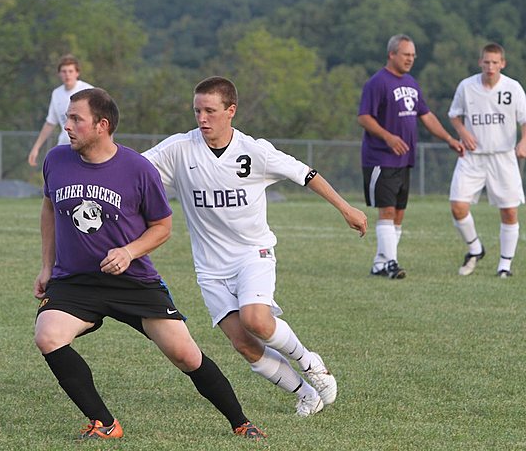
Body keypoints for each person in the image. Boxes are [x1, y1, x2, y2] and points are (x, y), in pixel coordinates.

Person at [33, 87, 265, 440]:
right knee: (48, 336)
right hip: (75, 281)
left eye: (76, 119)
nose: (67, 125)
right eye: (67, 118)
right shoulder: (57, 160)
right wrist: (46, 265)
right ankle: (105, 424)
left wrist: (128, 251)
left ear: (102, 125)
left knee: (186, 356)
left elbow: (163, 227)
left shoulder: (137, 169)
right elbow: (49, 207)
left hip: (133, 282)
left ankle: (241, 423)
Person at [143, 76, 368, 417]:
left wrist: (346, 208)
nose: (202, 118)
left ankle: (311, 364)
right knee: (245, 345)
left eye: (210, 111)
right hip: (209, 267)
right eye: (197, 111)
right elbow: (133, 171)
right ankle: (306, 393)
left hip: (253, 254)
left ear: (230, 111)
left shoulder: (255, 151)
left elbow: (306, 174)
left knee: (257, 320)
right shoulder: (178, 149)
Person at [358, 34, 464, 279]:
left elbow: (426, 115)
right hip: (380, 158)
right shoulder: (378, 82)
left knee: (398, 214)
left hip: (404, 160)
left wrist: (449, 139)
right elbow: (364, 117)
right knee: (386, 211)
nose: (410, 59)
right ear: (392, 54)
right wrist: (388, 137)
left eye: (413, 55)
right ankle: (391, 263)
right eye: (406, 54)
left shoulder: (412, 83)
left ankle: (379, 263)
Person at [447, 42, 526, 277]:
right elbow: (454, 115)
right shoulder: (467, 86)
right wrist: (463, 133)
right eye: (486, 62)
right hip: (473, 157)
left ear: (502, 64)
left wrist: (523, 142)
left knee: (509, 211)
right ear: (480, 62)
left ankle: (505, 265)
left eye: (495, 62)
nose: (490, 67)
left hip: (503, 156)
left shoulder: (513, 88)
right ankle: (475, 248)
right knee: (457, 206)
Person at [27, 54, 93, 166]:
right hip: (65, 145)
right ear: (59, 74)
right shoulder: (57, 93)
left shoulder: (89, 91)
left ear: (77, 73)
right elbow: (50, 123)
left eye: (70, 71)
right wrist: (36, 148)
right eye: (64, 71)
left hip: (85, 148)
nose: (67, 75)